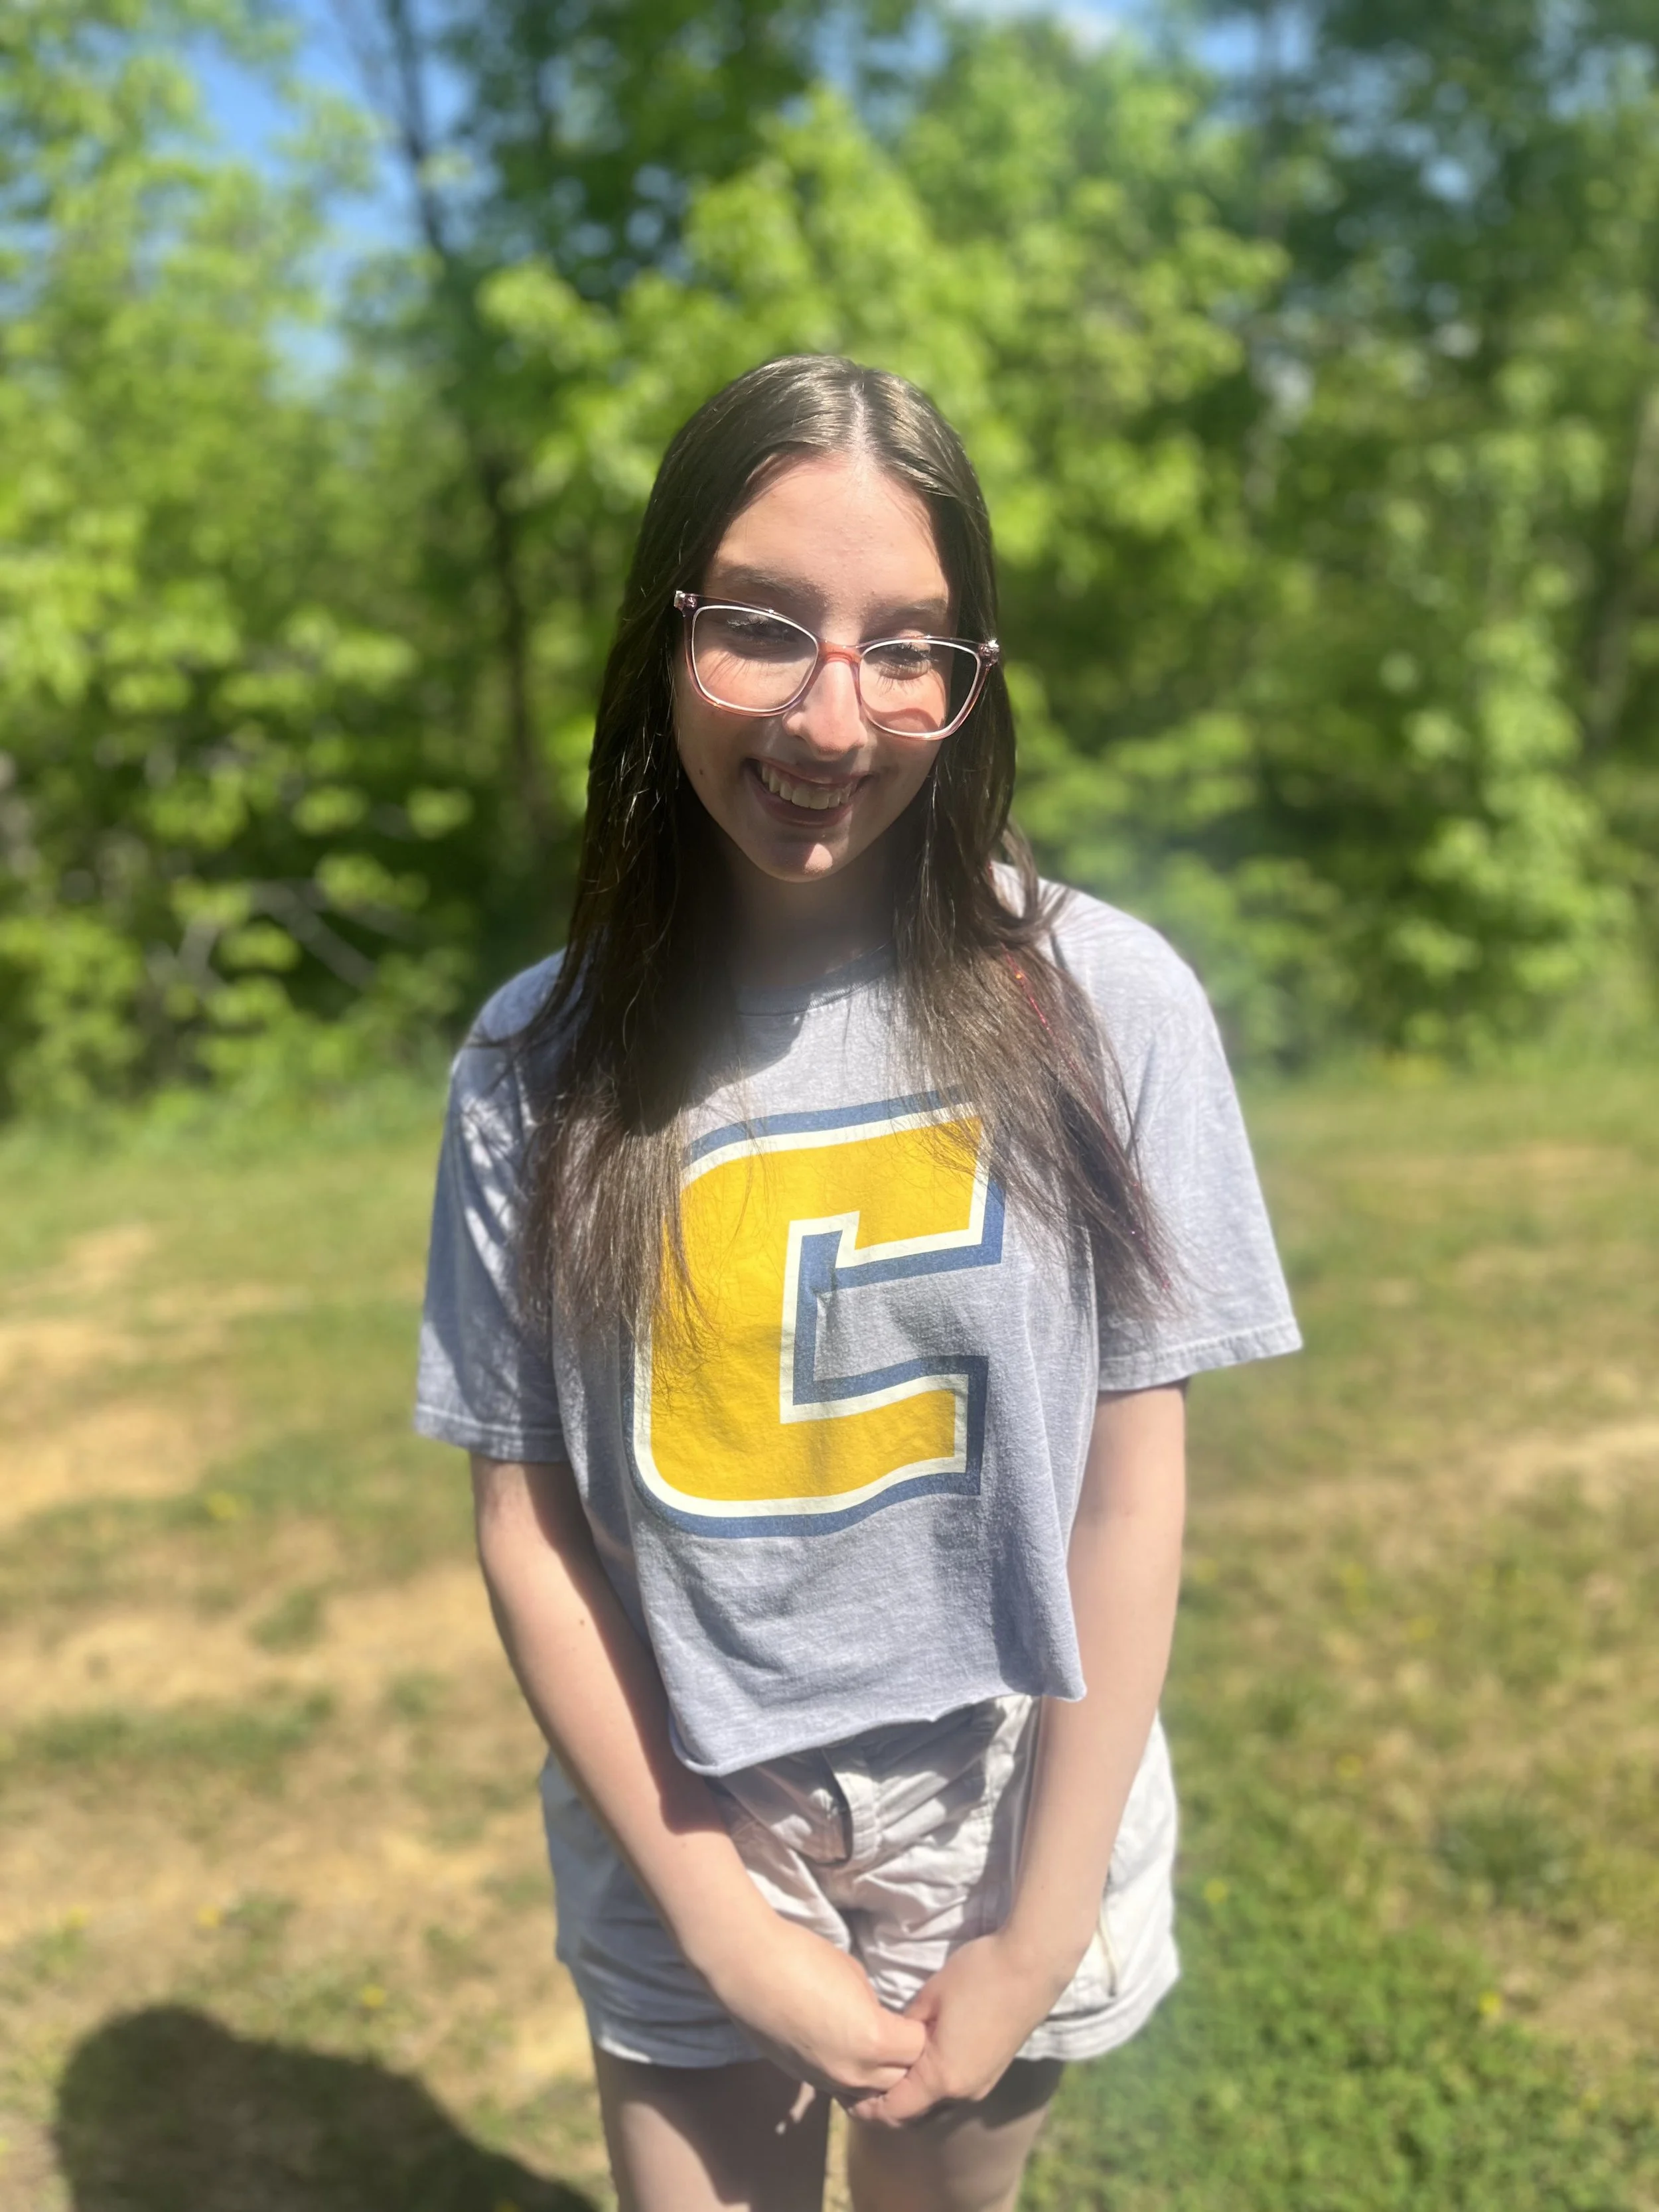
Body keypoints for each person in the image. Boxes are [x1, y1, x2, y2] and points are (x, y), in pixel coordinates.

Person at [415, 354, 1300, 2212]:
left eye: (909, 646)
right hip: (687, 1807)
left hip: (1000, 1808)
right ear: (662, 635)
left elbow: (1129, 1500)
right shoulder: (532, 1060)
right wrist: (728, 1929)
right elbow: (530, 1520)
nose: (837, 714)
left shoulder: (1108, 1002)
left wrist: (1027, 1935)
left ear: (970, 681)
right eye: (764, 625)